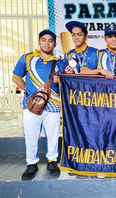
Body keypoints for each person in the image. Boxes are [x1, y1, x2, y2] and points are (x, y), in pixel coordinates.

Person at [12, 29, 65, 180]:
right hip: (31, 105)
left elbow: (66, 84)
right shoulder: (27, 58)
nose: (47, 43)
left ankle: (52, 162)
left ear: (54, 43)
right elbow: (16, 78)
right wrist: (30, 94)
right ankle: (31, 164)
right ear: (39, 41)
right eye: (44, 40)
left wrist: (59, 81)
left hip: (53, 104)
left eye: (50, 40)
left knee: (53, 134)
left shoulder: (60, 62)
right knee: (31, 134)